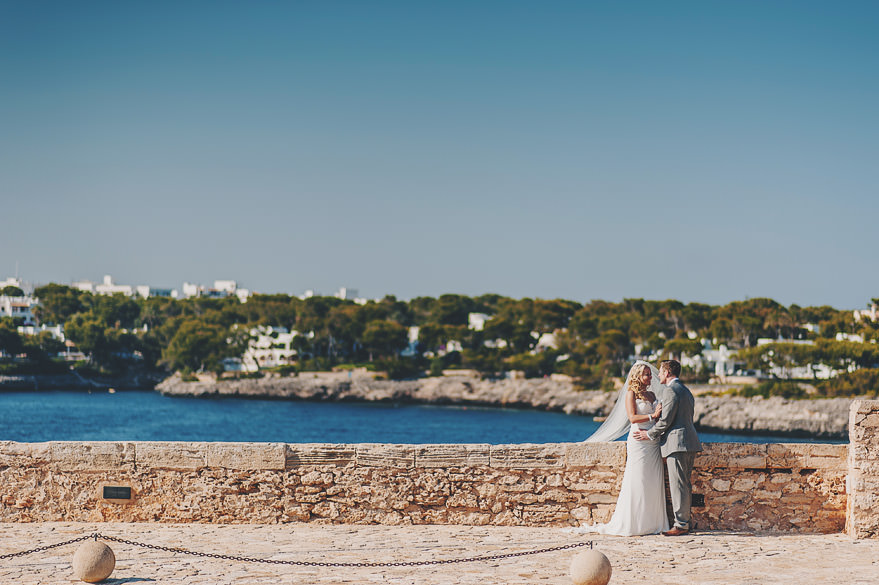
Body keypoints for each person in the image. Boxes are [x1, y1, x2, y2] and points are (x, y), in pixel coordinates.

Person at [572, 361, 669, 536]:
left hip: (652, 441)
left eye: (650, 373)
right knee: (639, 479)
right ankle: (635, 524)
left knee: (653, 480)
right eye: (646, 374)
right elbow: (632, 417)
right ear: (637, 376)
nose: (650, 377)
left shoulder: (652, 394)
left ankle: (653, 522)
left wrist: (659, 415)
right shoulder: (631, 394)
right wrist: (652, 415)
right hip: (639, 441)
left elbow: (656, 419)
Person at [633, 359, 702, 536]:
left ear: (668, 373)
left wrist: (649, 434)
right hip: (689, 441)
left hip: (677, 443)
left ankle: (680, 525)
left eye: (661, 371)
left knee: (678, 485)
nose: (658, 375)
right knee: (684, 484)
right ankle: (684, 522)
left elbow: (666, 421)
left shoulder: (671, 391)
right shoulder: (685, 390)